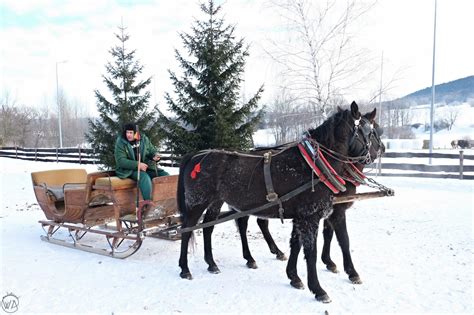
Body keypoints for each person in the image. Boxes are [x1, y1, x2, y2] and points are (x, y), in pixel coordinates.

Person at [114, 123, 169, 219]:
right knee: (144, 177)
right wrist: (137, 165)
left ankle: (166, 200)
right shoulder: (121, 142)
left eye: (131, 132)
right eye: (127, 132)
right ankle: (149, 205)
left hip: (145, 167)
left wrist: (155, 156)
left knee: (164, 175)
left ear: (136, 133)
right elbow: (121, 161)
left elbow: (151, 150)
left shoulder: (143, 139)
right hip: (128, 170)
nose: (129, 135)